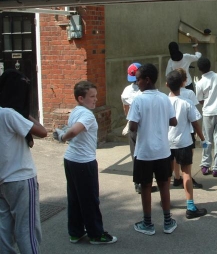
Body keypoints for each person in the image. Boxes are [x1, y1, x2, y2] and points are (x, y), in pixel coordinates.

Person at [53, 81, 117, 245]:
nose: (95, 99)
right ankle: (96, 234)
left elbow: (71, 128)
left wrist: (63, 134)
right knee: (90, 199)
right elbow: (74, 131)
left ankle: (76, 233)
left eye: (96, 96)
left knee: (75, 198)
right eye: (92, 97)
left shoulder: (76, 111)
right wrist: (62, 137)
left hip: (72, 160)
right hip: (83, 162)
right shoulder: (87, 115)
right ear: (81, 98)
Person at [0, 69, 47, 254]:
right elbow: (42, 132)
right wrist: (24, 112)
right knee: (27, 231)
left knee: (3, 231)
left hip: (2, 181)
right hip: (20, 178)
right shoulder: (10, 115)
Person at [127, 63, 178, 236]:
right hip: (163, 151)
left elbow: (132, 127)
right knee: (164, 184)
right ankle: (167, 221)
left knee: (146, 186)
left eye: (138, 79)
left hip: (145, 152)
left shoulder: (139, 100)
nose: (137, 83)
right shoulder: (164, 98)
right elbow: (174, 122)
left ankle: (147, 223)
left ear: (147, 80)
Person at [166, 70, 209, 219]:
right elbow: (195, 124)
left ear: (167, 85)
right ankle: (190, 206)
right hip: (184, 142)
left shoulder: (163, 101)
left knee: (166, 174)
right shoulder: (187, 103)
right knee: (186, 174)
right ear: (183, 83)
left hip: (166, 143)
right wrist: (203, 139)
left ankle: (166, 202)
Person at [121, 62, 158, 194]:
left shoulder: (126, 91)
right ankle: (145, 183)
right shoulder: (145, 93)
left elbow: (126, 110)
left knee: (135, 155)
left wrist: (130, 120)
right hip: (145, 127)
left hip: (132, 125)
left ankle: (138, 183)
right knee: (147, 157)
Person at [169, 68, 203, 189]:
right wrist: (202, 137)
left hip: (171, 134)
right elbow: (193, 116)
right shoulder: (189, 94)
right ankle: (186, 179)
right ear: (185, 81)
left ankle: (176, 177)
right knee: (187, 161)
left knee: (172, 158)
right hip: (187, 131)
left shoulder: (168, 96)